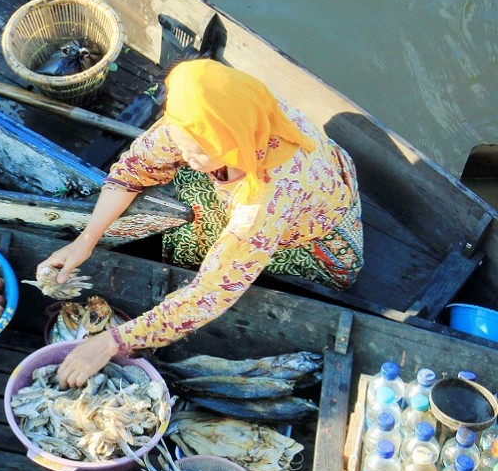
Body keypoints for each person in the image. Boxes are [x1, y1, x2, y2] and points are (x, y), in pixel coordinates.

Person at [45, 59, 364, 387]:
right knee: (175, 178)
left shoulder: (267, 199)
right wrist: (86, 240)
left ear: (231, 145)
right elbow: (133, 169)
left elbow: (211, 292)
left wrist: (111, 342)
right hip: (257, 186)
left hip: (312, 226)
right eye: (182, 143)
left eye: (196, 152)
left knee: (207, 255)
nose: (185, 153)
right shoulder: (212, 116)